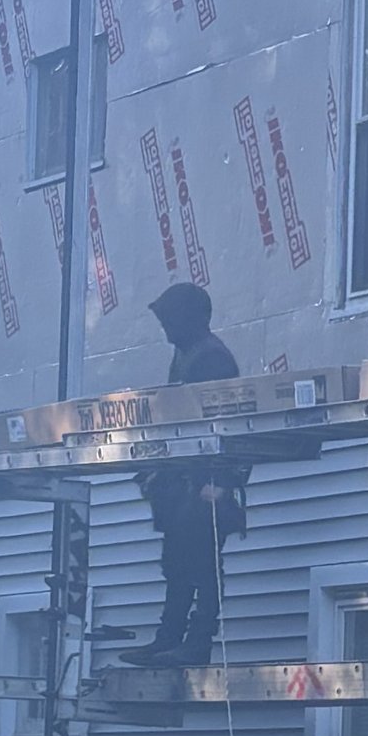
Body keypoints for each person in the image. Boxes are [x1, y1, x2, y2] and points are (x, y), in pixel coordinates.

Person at [133, 283, 247, 664]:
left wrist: (218, 483)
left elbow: (218, 426)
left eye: (170, 319)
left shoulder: (211, 359)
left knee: (202, 565)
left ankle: (195, 643)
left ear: (193, 318)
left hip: (204, 484)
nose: (165, 328)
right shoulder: (187, 355)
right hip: (184, 483)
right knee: (178, 564)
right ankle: (170, 638)